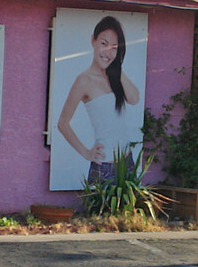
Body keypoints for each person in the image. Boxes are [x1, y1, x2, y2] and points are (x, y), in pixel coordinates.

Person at [55, 16, 141, 181]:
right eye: (103, 44)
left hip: (127, 163)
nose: (108, 52)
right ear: (93, 41)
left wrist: (117, 70)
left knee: (131, 208)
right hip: (105, 167)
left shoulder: (115, 77)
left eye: (114, 48)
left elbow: (134, 99)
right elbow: (63, 123)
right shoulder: (84, 80)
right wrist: (86, 153)